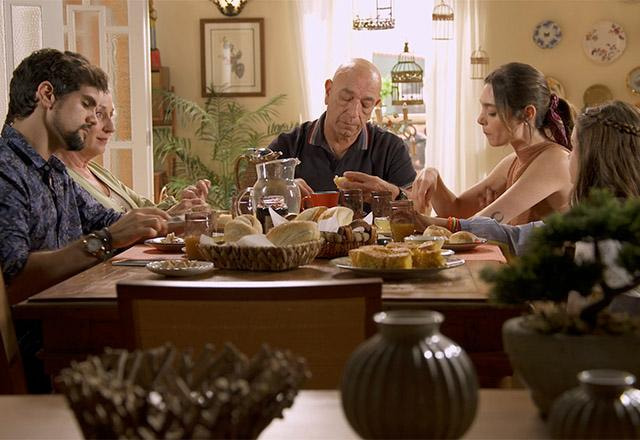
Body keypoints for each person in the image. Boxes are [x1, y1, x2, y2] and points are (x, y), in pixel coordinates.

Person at [0, 48, 170, 305]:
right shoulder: (6, 170)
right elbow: (13, 281)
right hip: (43, 336)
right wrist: (107, 239)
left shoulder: (54, 172)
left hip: (72, 315)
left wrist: (191, 222)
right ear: (47, 95)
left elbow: (117, 223)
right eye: (87, 104)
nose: (93, 120)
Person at [415, 101, 640, 256]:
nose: (481, 119)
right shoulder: (586, 217)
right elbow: (514, 236)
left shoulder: (613, 229)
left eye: (575, 148)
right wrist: (434, 221)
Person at [410, 62, 574, 225]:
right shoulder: (512, 163)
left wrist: (414, 221)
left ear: (527, 113)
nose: (480, 119)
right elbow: (456, 210)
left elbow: (476, 226)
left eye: (492, 112)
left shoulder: (554, 161)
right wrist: (433, 176)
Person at [268, 58, 416, 200]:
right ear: (328, 91)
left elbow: (420, 208)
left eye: (365, 104)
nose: (353, 113)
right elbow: (251, 196)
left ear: (375, 105)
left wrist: (390, 192)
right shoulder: (288, 145)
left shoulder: (391, 148)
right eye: (346, 98)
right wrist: (284, 188)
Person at [56, 91, 210, 214]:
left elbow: (142, 207)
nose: (111, 128)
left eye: (111, 115)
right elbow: (110, 232)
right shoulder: (60, 179)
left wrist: (185, 203)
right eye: (99, 114)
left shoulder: (95, 171)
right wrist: (171, 217)